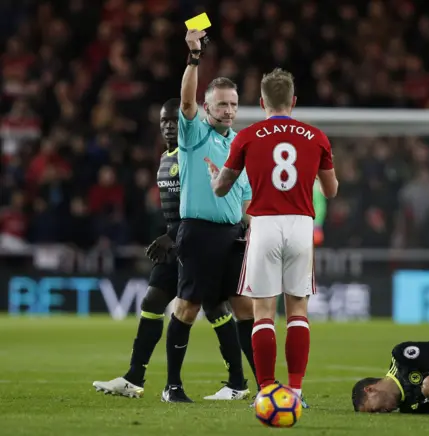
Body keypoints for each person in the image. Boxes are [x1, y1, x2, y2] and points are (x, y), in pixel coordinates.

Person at [92, 99, 250, 401]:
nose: (168, 126)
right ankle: (134, 378)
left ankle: (237, 381)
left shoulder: (193, 155)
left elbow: (199, 206)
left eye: (174, 121)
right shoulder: (167, 157)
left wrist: (174, 236)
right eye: (163, 121)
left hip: (193, 241)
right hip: (176, 242)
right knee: (156, 299)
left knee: (214, 306)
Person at [209, 68, 339, 406]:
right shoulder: (316, 136)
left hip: (264, 224)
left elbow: (222, 188)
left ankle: (267, 391)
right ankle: (295, 392)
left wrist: (216, 178)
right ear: (293, 101)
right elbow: (332, 189)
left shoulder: (247, 136)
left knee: (263, 311)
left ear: (262, 101)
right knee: (298, 310)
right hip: (300, 225)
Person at [160, 30, 256, 403]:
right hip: (198, 233)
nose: (229, 111)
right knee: (187, 307)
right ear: (206, 108)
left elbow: (246, 196)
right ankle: (172, 386)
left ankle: (261, 385)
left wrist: (253, 228)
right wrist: (194, 57)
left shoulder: (241, 143)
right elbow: (185, 100)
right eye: (221, 105)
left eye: (233, 104)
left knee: (245, 307)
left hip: (233, 235)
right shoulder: (193, 133)